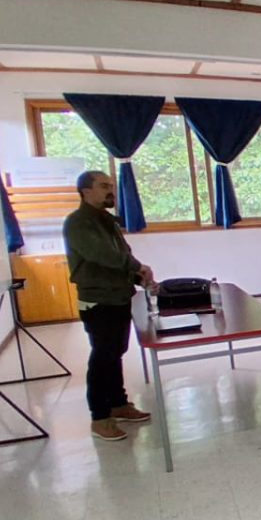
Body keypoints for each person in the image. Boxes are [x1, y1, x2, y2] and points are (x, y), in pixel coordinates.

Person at [63, 170, 154, 442]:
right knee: (102, 357)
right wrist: (137, 267)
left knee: (116, 352)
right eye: (103, 186)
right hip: (98, 300)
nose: (110, 191)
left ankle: (118, 404)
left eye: (111, 186)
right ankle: (100, 417)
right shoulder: (78, 223)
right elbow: (106, 256)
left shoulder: (106, 220)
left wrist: (140, 276)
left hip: (118, 296)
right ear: (85, 191)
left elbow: (123, 254)